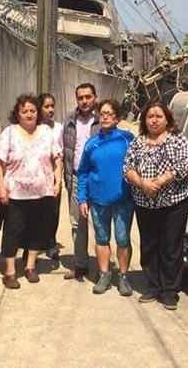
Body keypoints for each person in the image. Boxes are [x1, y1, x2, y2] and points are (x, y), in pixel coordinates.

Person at [124, 101, 188, 310]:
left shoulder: (178, 139)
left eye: (158, 116)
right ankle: (153, 286)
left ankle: (170, 290)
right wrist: (143, 183)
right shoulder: (138, 142)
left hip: (174, 203)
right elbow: (128, 168)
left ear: (167, 118)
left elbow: (183, 166)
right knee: (149, 245)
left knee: (171, 246)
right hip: (144, 203)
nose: (154, 120)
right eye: (150, 116)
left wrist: (159, 181)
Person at [0, 94, 62, 289]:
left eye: (33, 110)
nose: (29, 114)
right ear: (17, 113)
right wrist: (1, 188)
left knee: (37, 230)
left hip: (42, 191)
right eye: (24, 111)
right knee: (13, 231)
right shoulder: (9, 132)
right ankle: (10, 272)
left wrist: (57, 182)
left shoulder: (46, 132)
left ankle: (30, 267)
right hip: (15, 193)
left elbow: (57, 158)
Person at [77, 99, 135, 296]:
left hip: (123, 199)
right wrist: (82, 198)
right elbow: (83, 172)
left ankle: (124, 276)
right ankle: (104, 274)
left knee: (122, 238)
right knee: (101, 238)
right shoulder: (91, 143)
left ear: (117, 118)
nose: (105, 117)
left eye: (110, 114)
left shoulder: (127, 139)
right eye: (102, 114)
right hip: (98, 200)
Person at [62, 83, 100, 281]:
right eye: (80, 97)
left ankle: (103, 268)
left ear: (95, 97)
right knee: (78, 223)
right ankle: (80, 265)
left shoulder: (102, 119)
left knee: (101, 224)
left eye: (88, 97)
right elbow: (65, 149)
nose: (84, 101)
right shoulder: (70, 120)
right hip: (77, 178)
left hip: (98, 179)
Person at [38, 93, 64, 261]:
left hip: (54, 174)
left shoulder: (59, 128)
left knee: (53, 211)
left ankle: (51, 243)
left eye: (52, 106)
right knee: (36, 211)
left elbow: (61, 152)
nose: (50, 110)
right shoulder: (33, 127)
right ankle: (33, 244)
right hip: (37, 175)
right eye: (46, 106)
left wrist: (59, 178)